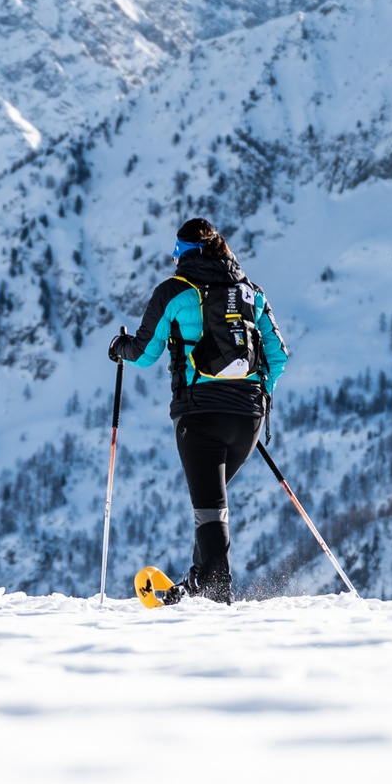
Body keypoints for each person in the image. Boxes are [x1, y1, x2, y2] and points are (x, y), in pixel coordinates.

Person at [107, 218, 289, 603]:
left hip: (199, 414)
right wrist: (258, 396)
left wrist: (118, 347)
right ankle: (199, 582)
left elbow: (143, 353)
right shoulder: (250, 294)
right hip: (248, 418)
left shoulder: (174, 292)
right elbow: (278, 356)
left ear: (183, 255)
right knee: (211, 504)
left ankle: (215, 591)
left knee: (210, 510)